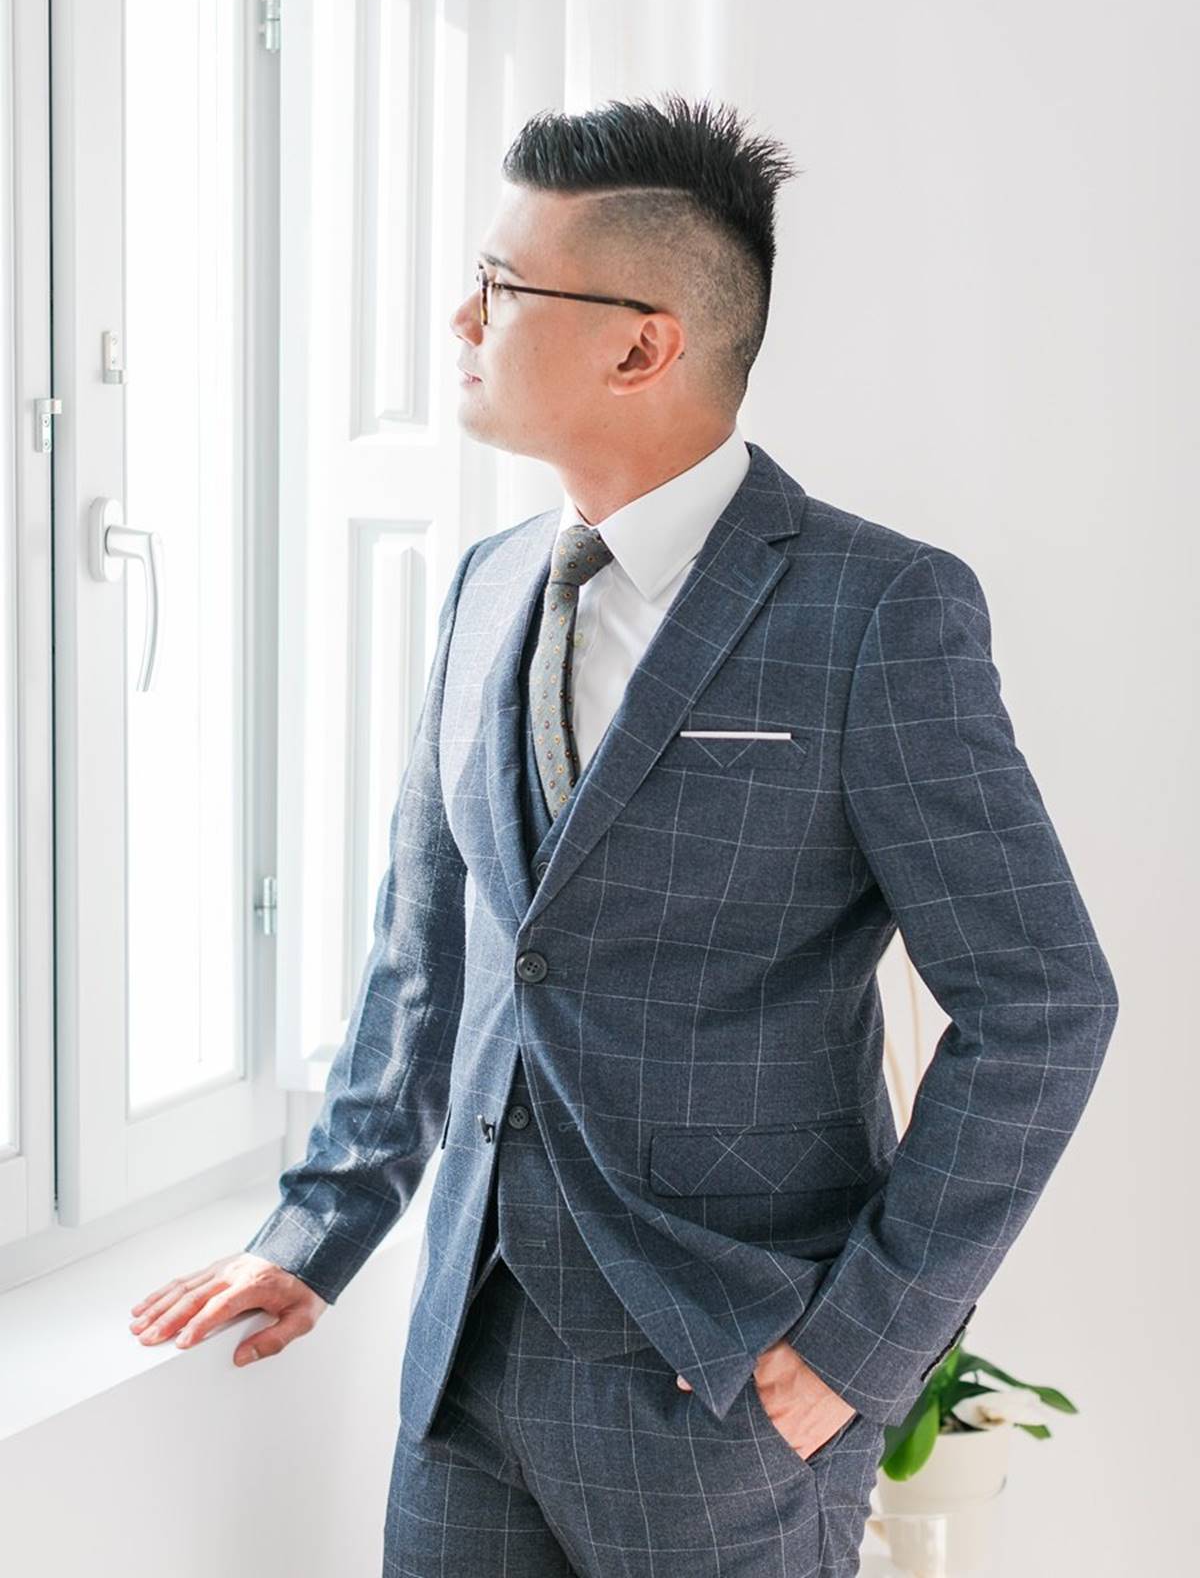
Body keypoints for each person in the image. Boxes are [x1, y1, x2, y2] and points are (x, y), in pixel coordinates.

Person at [128, 94, 1119, 1576]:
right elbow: (431, 951)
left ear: (641, 347)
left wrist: (863, 1346)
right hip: (465, 1367)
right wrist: (319, 1230)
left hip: (725, 1387)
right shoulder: (487, 583)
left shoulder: (875, 611)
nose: (463, 317)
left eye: (503, 285)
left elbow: (1042, 1002)